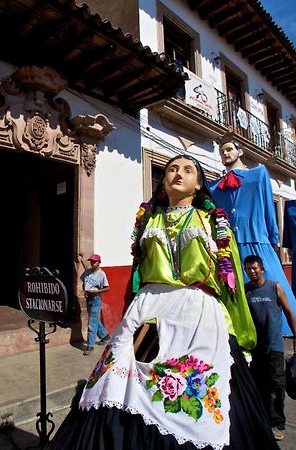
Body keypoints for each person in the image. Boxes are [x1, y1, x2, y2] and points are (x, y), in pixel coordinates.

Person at [48, 155, 278, 449]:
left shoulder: (213, 222)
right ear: (162, 183)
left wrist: (243, 337)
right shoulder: (148, 221)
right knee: (118, 382)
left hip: (196, 312)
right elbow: (137, 275)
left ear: (198, 185)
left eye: (187, 170)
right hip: (149, 313)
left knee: (199, 394)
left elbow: (230, 284)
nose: (177, 174)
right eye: (171, 169)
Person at [210, 133, 296, 334]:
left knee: (272, 288)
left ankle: (284, 330)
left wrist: (272, 238)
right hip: (229, 247)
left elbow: (268, 206)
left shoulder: (258, 174)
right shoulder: (214, 187)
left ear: (239, 152)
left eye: (229, 149)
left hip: (256, 240)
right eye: (222, 151)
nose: (225, 153)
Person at [244, 254, 296, 442]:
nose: (252, 271)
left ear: (262, 269)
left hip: (275, 346)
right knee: (259, 386)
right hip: (256, 348)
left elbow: (290, 313)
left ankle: (278, 424)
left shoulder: (275, 287)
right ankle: (263, 421)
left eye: (255, 268)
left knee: (277, 386)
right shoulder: (246, 291)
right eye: (249, 269)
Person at [80, 254, 110, 356]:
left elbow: (107, 288)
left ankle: (90, 345)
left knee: (91, 323)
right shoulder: (87, 272)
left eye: (94, 261)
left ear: (99, 262)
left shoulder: (102, 274)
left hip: (96, 299)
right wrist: (85, 290)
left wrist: (97, 291)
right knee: (95, 319)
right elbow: (84, 281)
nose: (92, 263)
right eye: (91, 261)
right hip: (89, 298)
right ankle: (105, 336)